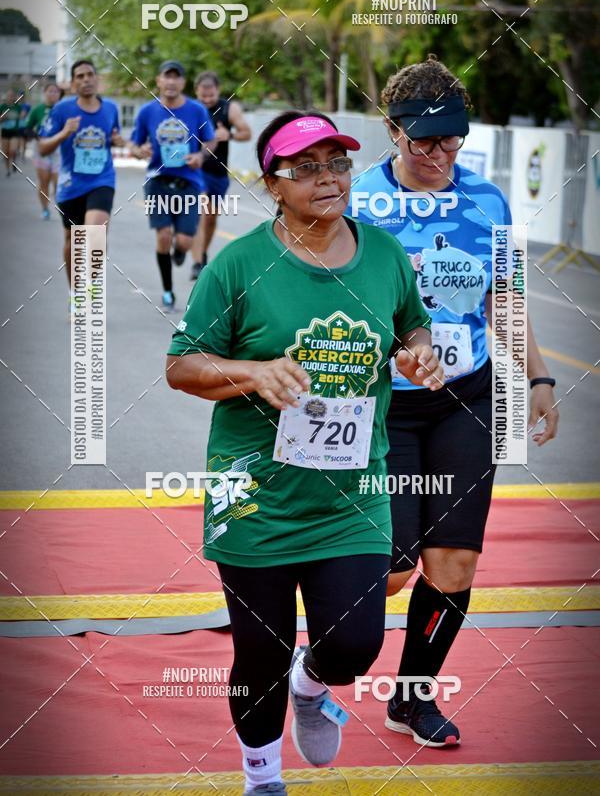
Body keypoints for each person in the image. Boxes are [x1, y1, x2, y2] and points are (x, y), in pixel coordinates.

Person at [166, 110, 444, 796]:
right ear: (273, 184)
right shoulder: (237, 264)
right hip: (255, 493)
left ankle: (313, 682)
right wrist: (254, 374)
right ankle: (263, 779)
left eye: (338, 163)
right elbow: (181, 366)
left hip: (352, 493)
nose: (329, 178)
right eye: (307, 168)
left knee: (353, 646)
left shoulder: (382, 253)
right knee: (258, 650)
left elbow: (413, 322)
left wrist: (420, 354)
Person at [350, 55, 559, 748]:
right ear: (391, 131)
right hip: (384, 406)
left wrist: (538, 377)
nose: (439, 154)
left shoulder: (488, 202)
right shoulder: (358, 204)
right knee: (394, 567)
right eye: (422, 141)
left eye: (452, 139)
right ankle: (320, 657)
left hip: (465, 398)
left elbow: (505, 297)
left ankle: (412, 699)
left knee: (454, 564)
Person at [130, 61, 215, 310]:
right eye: (166, 77)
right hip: (157, 180)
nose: (171, 82)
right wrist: (139, 151)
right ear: (158, 80)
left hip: (188, 181)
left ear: (183, 83)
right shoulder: (147, 112)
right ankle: (168, 291)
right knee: (164, 235)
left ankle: (180, 253)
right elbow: (134, 145)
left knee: (185, 242)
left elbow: (210, 140)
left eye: (176, 78)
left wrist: (200, 156)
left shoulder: (197, 110)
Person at [38, 60, 123, 308]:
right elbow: (43, 147)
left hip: (102, 180)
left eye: (89, 75)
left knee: (96, 234)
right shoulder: (62, 110)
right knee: (72, 241)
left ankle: (88, 286)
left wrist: (119, 142)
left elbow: (114, 138)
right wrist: (64, 133)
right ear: (73, 83)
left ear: (96, 79)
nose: (85, 79)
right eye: (79, 76)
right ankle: (75, 294)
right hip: (70, 185)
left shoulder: (110, 109)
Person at [189, 71, 252, 279]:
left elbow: (247, 133)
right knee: (201, 211)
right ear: (196, 91)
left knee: (210, 218)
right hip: (196, 170)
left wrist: (229, 135)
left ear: (218, 90)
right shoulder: (190, 109)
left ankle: (202, 252)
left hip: (219, 171)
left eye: (211, 95)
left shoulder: (229, 108)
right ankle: (197, 263)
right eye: (203, 96)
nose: (207, 100)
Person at [26, 82, 63, 219]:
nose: (53, 94)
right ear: (45, 93)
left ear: (59, 94)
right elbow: (28, 128)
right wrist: (37, 137)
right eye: (50, 91)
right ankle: (45, 209)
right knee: (44, 181)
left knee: (59, 182)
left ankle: (62, 209)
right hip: (41, 149)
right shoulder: (37, 109)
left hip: (59, 150)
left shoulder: (63, 109)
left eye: (56, 92)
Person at [1, 88, 23, 175]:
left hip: (15, 131)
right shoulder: (2, 107)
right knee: (6, 153)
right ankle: (8, 170)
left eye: (12, 96)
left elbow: (22, 116)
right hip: (5, 131)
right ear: (6, 97)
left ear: (14, 97)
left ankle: (13, 161)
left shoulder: (18, 106)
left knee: (12, 150)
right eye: (9, 96)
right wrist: (3, 117)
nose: (10, 97)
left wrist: (22, 116)